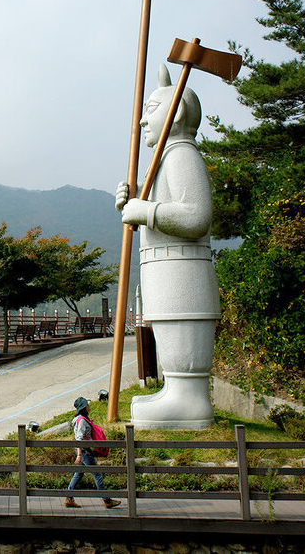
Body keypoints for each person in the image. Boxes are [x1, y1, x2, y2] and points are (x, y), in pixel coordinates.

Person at [116, 64, 220, 429]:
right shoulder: (164, 161)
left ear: (175, 115)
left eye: (152, 112)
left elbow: (196, 217)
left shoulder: (182, 156)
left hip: (183, 271)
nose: (143, 123)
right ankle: (176, 388)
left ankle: (189, 398)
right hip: (165, 269)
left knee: (180, 323)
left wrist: (146, 210)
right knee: (166, 323)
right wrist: (133, 203)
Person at [64, 397, 120, 509]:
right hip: (84, 451)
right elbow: (79, 438)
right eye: (87, 405)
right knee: (98, 474)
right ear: (84, 407)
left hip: (82, 451)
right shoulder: (82, 421)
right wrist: (79, 455)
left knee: (79, 473)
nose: (89, 406)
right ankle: (107, 500)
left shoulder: (80, 419)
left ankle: (69, 498)